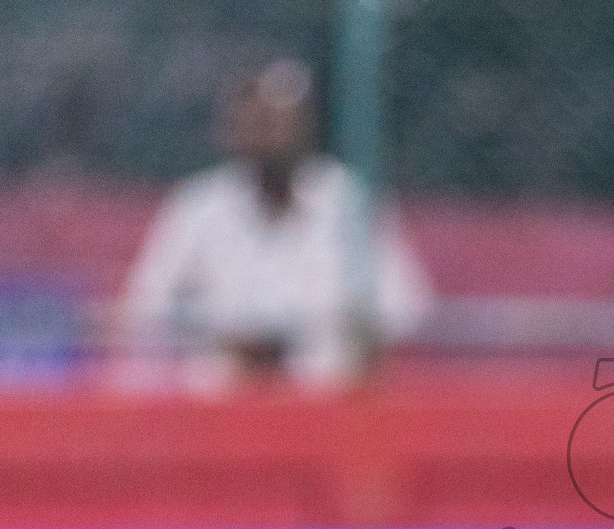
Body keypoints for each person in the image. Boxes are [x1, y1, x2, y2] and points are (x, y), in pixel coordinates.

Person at [124, 59, 431, 388]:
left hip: (323, 399)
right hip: (219, 401)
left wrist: (321, 340)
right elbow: (143, 311)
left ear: (306, 125)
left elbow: (405, 306)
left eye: (281, 119)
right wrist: (219, 339)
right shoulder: (199, 206)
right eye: (257, 119)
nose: (269, 132)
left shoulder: (346, 200)